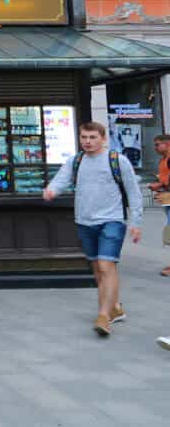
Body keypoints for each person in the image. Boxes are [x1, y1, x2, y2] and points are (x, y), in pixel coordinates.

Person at [43, 121, 143, 337]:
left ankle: (103, 316)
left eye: (92, 137)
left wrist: (135, 222)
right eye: (84, 138)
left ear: (103, 138)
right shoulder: (76, 160)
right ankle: (115, 307)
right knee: (99, 269)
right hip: (84, 221)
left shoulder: (117, 160)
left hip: (112, 220)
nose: (88, 142)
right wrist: (51, 190)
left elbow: (134, 192)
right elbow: (61, 180)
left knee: (107, 265)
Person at [146, 134, 170, 277]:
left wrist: (159, 185)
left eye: (157, 144)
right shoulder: (164, 160)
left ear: (167, 144)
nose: (154, 148)